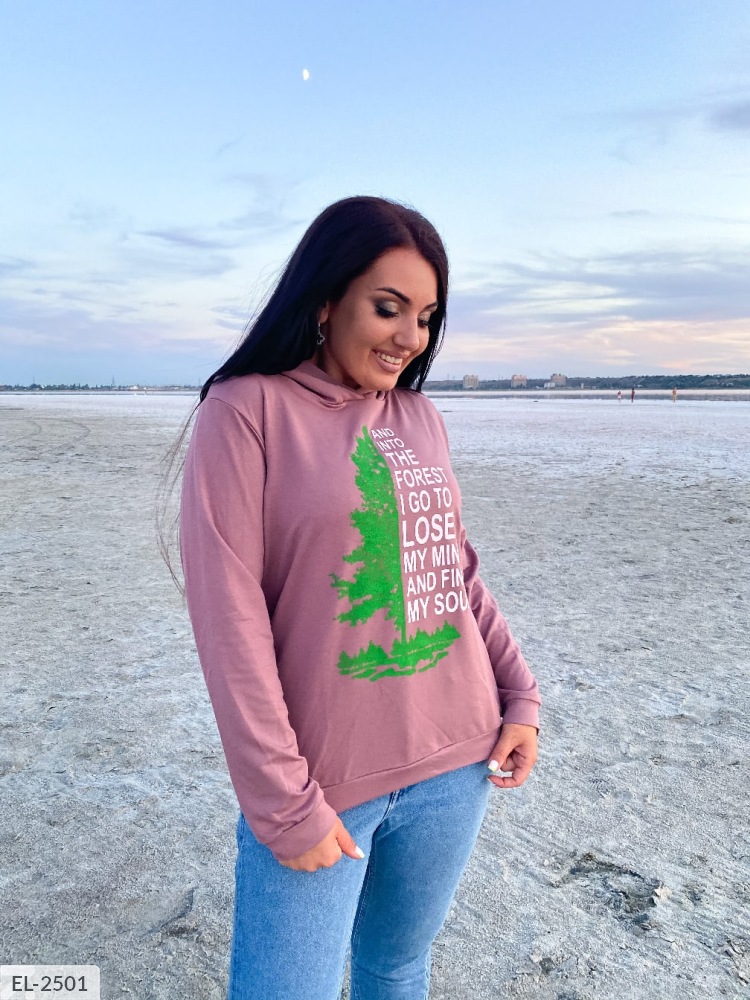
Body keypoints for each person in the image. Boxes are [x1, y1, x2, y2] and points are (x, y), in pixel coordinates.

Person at [179, 196, 541, 1000]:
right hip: (323, 784)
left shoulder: (420, 417)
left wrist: (521, 696)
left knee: (397, 968)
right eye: (388, 308)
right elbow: (230, 624)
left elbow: (454, 572)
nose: (411, 337)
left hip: (457, 762)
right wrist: (283, 804)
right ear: (325, 301)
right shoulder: (245, 413)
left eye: (426, 318)